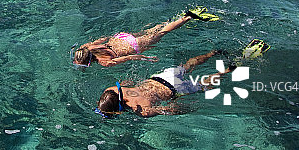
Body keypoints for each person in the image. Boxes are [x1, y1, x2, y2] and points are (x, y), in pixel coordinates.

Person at [94, 49, 233, 118]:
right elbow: (127, 82)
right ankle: (213, 53)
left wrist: (189, 109)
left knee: (204, 85)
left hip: (175, 89)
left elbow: (169, 110)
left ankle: (228, 70)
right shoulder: (111, 89)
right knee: (186, 66)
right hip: (160, 77)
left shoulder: (142, 111)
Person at [71, 7, 219, 68]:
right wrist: (113, 37)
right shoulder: (86, 47)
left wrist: (146, 58)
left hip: (133, 46)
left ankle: (187, 18)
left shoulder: (105, 62)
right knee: (152, 32)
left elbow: (128, 58)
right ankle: (173, 19)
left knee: (162, 33)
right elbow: (103, 38)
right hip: (121, 38)